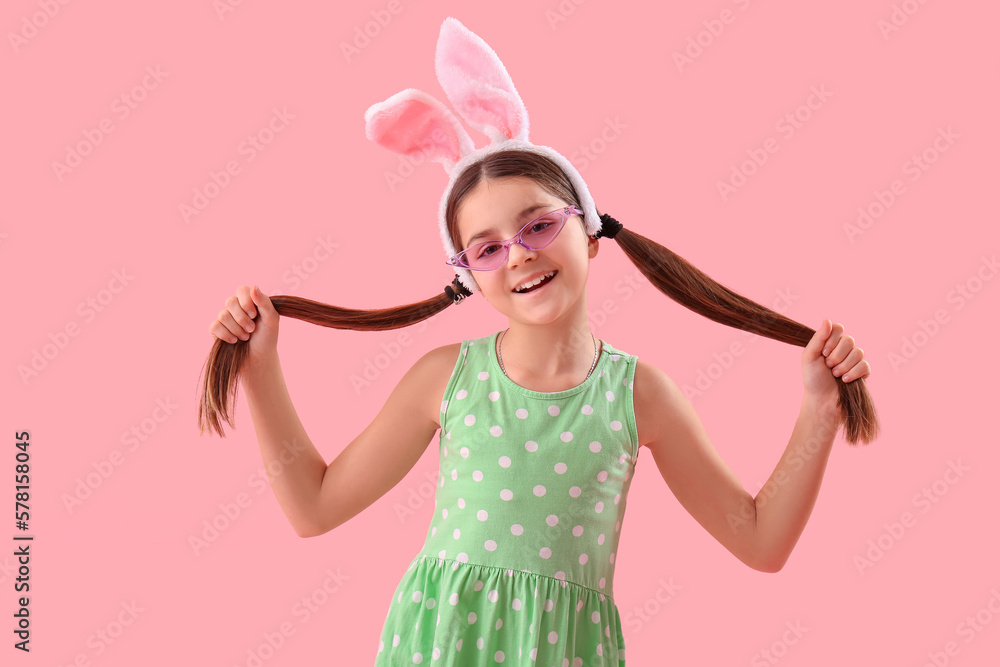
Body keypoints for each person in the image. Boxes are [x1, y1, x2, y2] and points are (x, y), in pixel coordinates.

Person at [199, 17, 878, 666]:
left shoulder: (639, 394)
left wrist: (819, 410)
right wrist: (260, 370)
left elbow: (760, 540)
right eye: (487, 248)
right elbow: (314, 507)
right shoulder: (446, 379)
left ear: (588, 228)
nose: (519, 255)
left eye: (538, 226)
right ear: (467, 275)